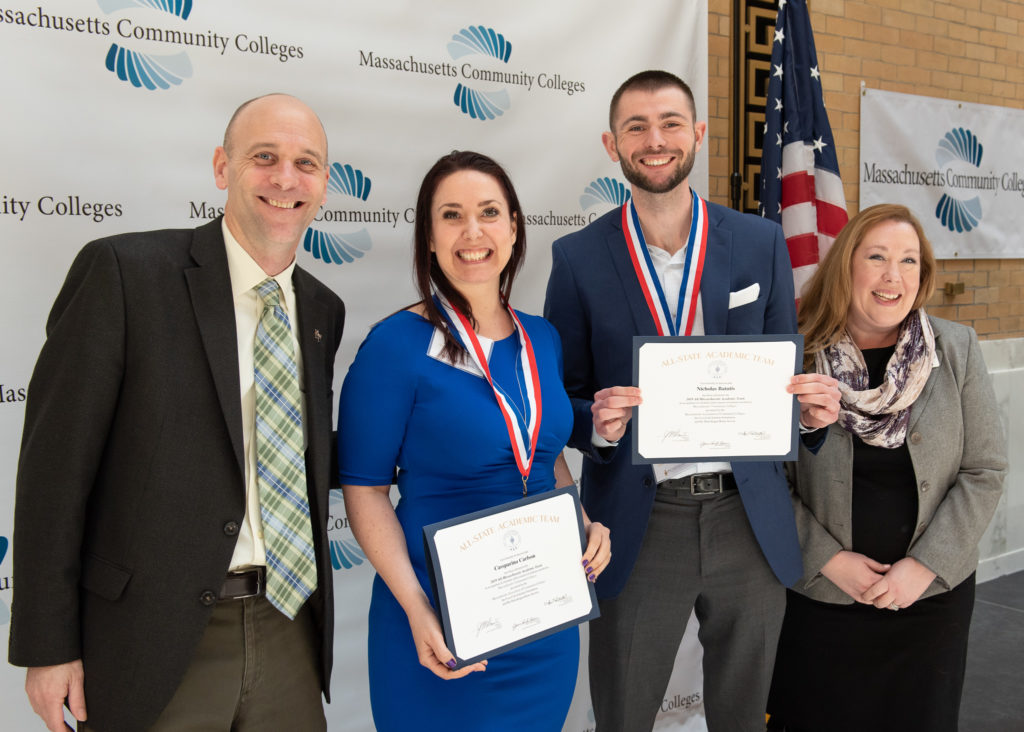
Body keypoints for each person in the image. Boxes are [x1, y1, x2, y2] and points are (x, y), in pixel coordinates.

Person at [8, 94, 345, 732]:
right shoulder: (126, 274)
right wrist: (48, 647)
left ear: (324, 185)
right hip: (153, 636)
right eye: (263, 157)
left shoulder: (322, 309)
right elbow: (55, 473)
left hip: (288, 626)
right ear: (222, 167)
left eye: (306, 163)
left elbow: (295, 454)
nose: (285, 178)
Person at [543, 69, 840, 731]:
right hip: (639, 523)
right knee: (624, 712)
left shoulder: (758, 242)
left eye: (671, 123)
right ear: (610, 143)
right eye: (636, 127)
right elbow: (562, 401)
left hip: (748, 516)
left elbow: (780, 374)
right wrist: (602, 424)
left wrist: (811, 419)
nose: (655, 140)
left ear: (698, 134)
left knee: (742, 715)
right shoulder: (578, 258)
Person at [337, 150, 610, 731]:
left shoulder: (542, 339)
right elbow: (363, 490)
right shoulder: (394, 345)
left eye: (489, 212)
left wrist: (581, 521)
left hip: (541, 617)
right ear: (429, 238)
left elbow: (541, 455)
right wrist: (415, 608)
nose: (473, 231)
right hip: (439, 617)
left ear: (513, 227)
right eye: (452, 215)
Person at [766, 204, 1007, 732]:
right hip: (823, 601)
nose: (892, 276)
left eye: (908, 261)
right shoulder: (795, 353)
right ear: (846, 264)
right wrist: (827, 561)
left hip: (928, 605)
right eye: (876, 257)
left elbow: (985, 469)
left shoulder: (956, 349)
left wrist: (925, 565)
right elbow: (765, 482)